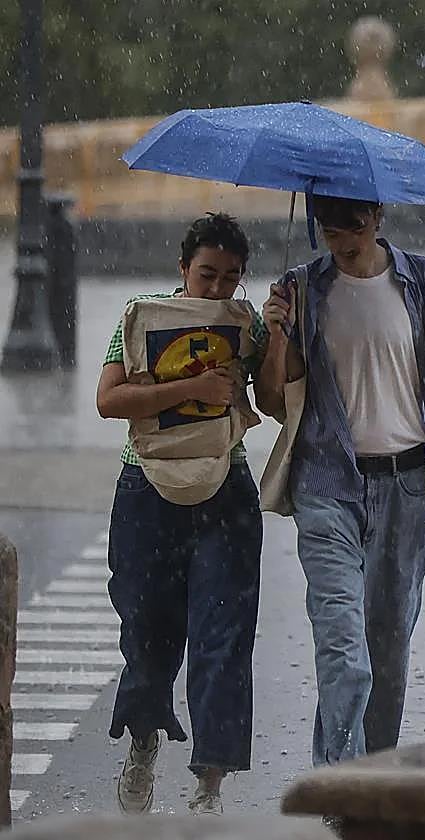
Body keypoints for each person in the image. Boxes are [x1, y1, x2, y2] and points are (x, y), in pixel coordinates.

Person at [256, 194, 425, 768]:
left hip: (406, 485)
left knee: (387, 655)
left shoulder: (424, 281)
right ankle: (340, 786)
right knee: (345, 653)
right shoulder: (302, 289)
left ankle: (375, 782)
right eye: (328, 229)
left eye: (353, 226)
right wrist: (278, 332)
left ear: (378, 215)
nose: (341, 240)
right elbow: (270, 401)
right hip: (328, 486)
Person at [96, 213, 268, 815]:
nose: (217, 289)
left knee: (224, 636)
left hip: (226, 487)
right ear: (182, 270)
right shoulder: (141, 318)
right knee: (147, 630)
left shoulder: (248, 326)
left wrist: (279, 334)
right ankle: (142, 745)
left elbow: (274, 397)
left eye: (230, 277)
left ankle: (209, 786)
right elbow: (109, 399)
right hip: (147, 487)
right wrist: (189, 393)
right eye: (206, 275)